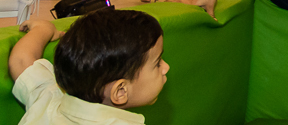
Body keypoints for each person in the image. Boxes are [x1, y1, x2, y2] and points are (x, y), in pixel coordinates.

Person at [9, 11, 168, 124]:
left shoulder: (48, 97)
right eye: (158, 63)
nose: (166, 67)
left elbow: (21, 60)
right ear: (121, 91)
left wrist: (43, 29)